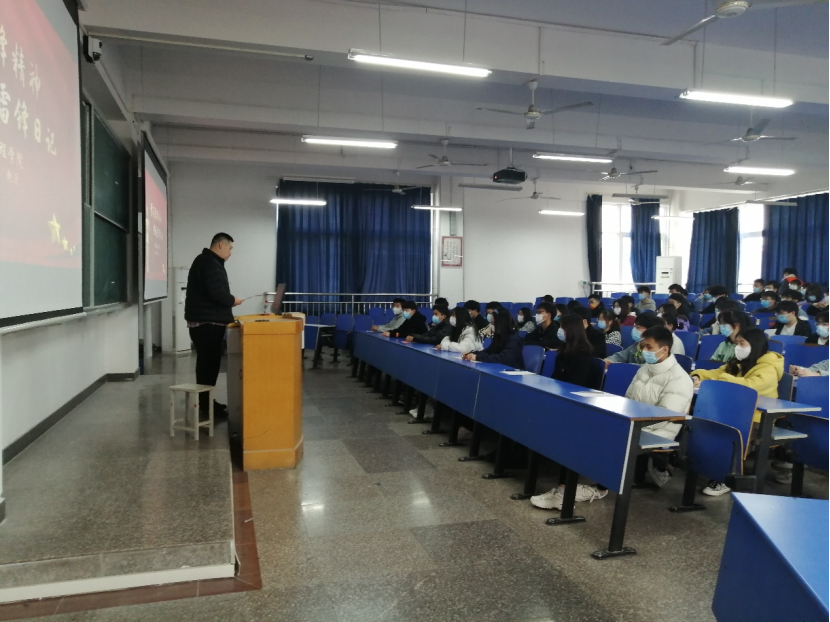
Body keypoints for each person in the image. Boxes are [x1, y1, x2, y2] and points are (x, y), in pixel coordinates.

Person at [691, 328, 784, 497]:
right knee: (704, 426)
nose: (738, 347)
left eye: (742, 343)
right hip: (731, 410)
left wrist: (722, 379)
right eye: (737, 343)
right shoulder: (740, 362)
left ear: (755, 345)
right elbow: (717, 372)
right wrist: (699, 376)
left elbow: (749, 386)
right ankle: (706, 466)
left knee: (732, 435)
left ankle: (727, 476)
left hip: (756, 418)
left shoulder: (768, 368)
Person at [530, 314, 603, 510]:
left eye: (562, 328)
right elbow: (555, 380)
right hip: (563, 402)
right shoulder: (563, 352)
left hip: (579, 407)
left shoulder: (584, 356)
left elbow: (576, 387)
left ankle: (563, 489)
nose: (559, 331)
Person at [624, 325, 695, 487]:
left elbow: (664, 416)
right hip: (638, 423)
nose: (644, 351)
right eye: (643, 346)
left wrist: (633, 426)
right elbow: (628, 399)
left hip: (659, 429)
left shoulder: (679, 379)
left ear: (665, 349)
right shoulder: (644, 370)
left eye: (649, 347)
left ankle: (605, 486)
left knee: (616, 436)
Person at [185, 233, 243, 418]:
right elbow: (216, 292)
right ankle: (205, 405)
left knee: (208, 365)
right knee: (208, 365)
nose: (230, 252)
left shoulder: (207, 261)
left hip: (206, 322)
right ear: (220, 245)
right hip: (207, 323)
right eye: (230, 248)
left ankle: (206, 402)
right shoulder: (209, 263)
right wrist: (232, 300)